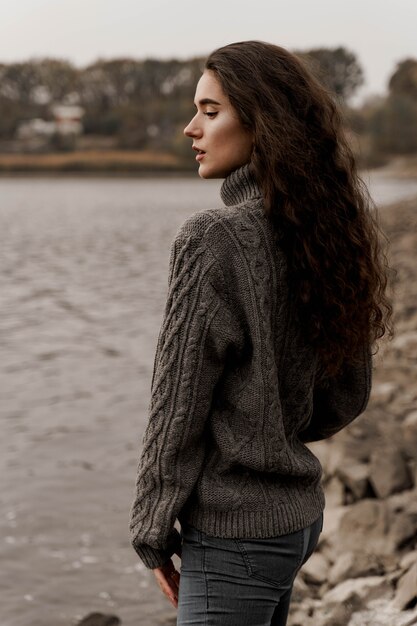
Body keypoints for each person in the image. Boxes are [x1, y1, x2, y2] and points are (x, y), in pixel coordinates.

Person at [129, 40, 393, 626]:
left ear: (261, 122)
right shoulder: (322, 230)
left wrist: (151, 528)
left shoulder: (213, 238)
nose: (190, 127)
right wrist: (272, 428)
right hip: (294, 520)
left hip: (233, 536)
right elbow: (345, 396)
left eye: (210, 110)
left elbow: (176, 407)